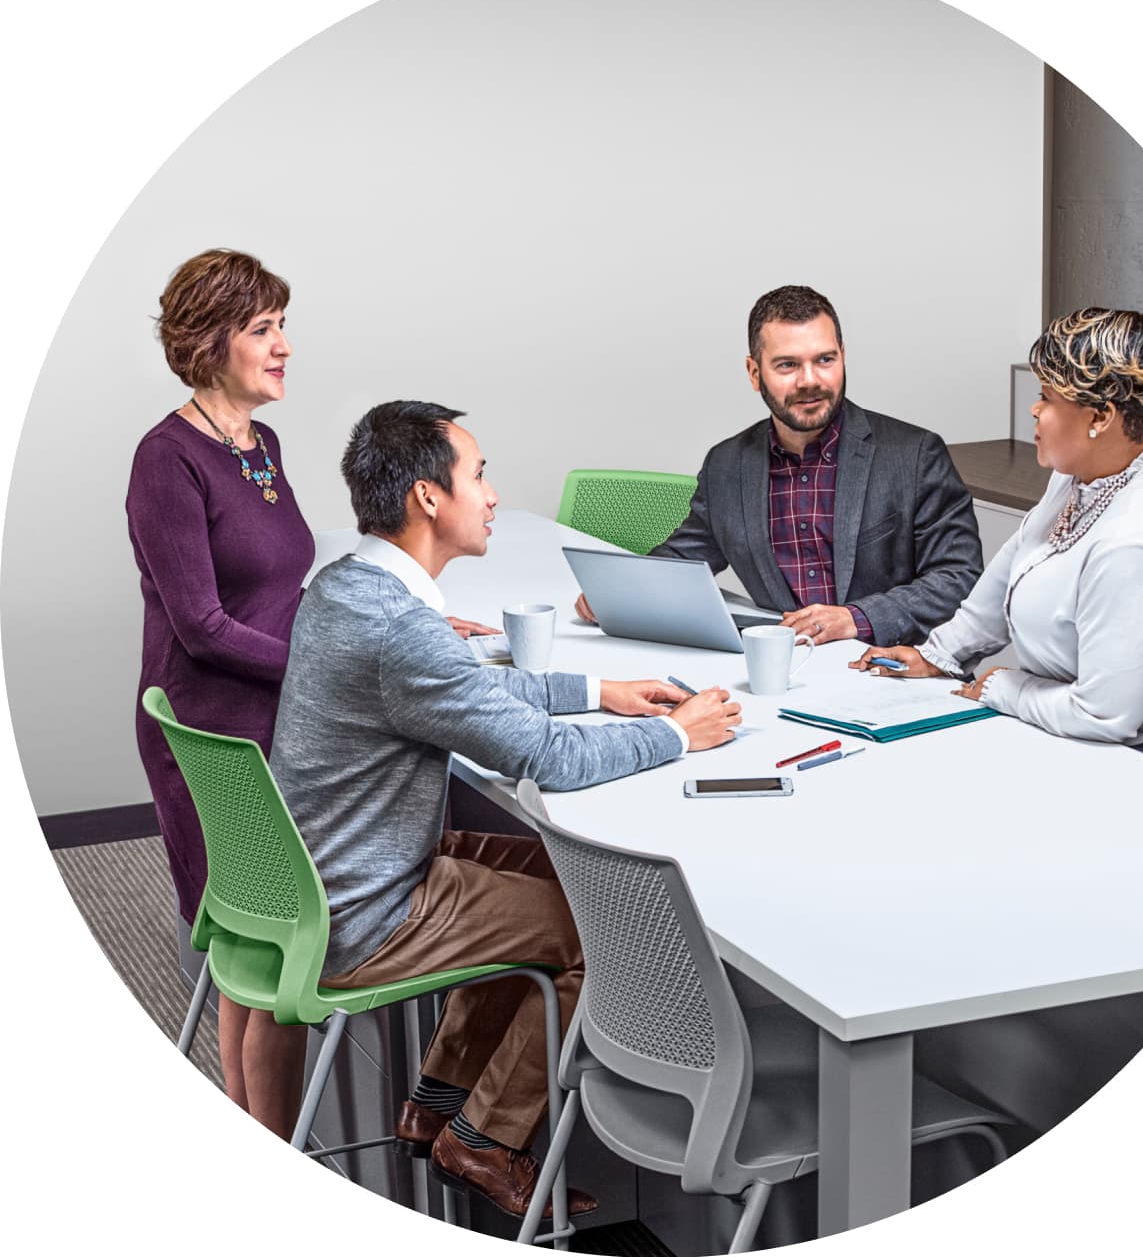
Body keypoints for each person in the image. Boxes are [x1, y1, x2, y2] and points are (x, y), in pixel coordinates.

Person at [268, 400, 740, 1219]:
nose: (490, 495)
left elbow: (472, 689)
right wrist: (675, 733)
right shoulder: (397, 627)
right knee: (605, 925)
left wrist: (602, 691)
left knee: (552, 869)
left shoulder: (348, 583)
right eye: (478, 475)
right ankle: (485, 1141)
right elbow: (546, 758)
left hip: (327, 870)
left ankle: (440, 1102)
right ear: (427, 498)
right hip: (366, 907)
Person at [851, 306, 1143, 794]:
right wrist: (940, 654)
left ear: (1100, 417)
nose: (1034, 409)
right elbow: (1021, 556)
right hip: (1092, 739)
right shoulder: (1090, 468)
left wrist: (1004, 687)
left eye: (1046, 397)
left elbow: (1105, 714)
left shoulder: (1140, 543)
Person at [127, 249, 315, 1138]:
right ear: (211, 344)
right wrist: (324, 669)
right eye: (263, 329)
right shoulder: (167, 460)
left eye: (282, 325)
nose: (285, 346)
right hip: (211, 735)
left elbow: (278, 589)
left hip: (269, 719)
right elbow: (202, 625)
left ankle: (251, 1137)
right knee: (261, 955)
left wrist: (371, 621)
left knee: (262, 954)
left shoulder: (259, 445)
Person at [574, 284, 983, 645]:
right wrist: (620, 591)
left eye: (824, 360)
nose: (809, 380)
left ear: (843, 357)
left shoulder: (913, 455)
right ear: (754, 373)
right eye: (787, 365)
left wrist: (854, 619)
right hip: (785, 672)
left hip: (890, 671)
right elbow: (686, 559)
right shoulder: (727, 465)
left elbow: (958, 577)